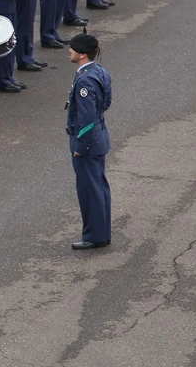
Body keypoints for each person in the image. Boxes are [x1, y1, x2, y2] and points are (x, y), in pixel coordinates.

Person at [65, 32, 113, 250]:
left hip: (88, 142)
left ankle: (94, 236)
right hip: (99, 137)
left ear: (82, 54)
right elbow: (106, 103)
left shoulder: (85, 80)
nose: (69, 51)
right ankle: (101, 232)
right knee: (98, 187)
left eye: (73, 48)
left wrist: (80, 146)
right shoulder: (99, 71)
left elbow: (86, 117)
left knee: (89, 190)